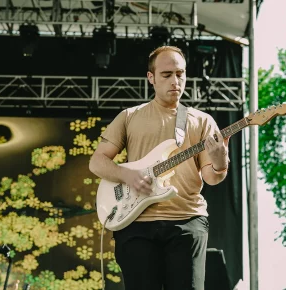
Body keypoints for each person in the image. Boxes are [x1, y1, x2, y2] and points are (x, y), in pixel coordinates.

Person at [89, 45, 230, 290]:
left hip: (187, 221)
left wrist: (220, 161)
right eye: (167, 75)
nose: (175, 81)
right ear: (151, 78)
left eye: (180, 74)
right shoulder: (129, 116)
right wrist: (127, 175)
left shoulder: (203, 121)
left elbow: (211, 177)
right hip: (135, 222)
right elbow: (97, 162)